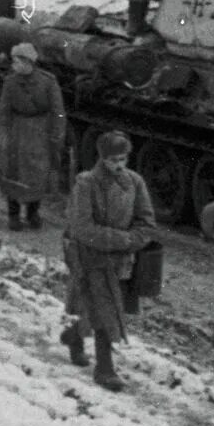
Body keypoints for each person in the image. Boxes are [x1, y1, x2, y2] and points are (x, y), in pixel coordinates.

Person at [62, 132, 158, 390]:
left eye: (123, 159)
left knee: (100, 306)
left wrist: (133, 240)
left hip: (121, 260)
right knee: (105, 310)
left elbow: (147, 223)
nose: (119, 164)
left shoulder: (135, 183)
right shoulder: (86, 183)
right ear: (102, 158)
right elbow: (82, 227)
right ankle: (104, 370)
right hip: (91, 257)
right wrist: (122, 240)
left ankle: (74, 335)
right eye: (113, 159)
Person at [0, 43, 66, 231]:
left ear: (28, 62)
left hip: (40, 132)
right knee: (12, 171)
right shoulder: (10, 82)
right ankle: (14, 215)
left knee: (38, 174)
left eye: (17, 61)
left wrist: (57, 133)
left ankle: (33, 213)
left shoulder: (48, 82)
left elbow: (58, 111)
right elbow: (3, 110)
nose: (13, 65)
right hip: (17, 131)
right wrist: (1, 134)